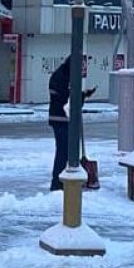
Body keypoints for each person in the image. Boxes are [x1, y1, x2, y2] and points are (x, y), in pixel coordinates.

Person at [48, 56, 96, 191]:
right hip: (60, 118)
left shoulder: (66, 76)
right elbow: (67, 97)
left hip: (65, 118)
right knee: (63, 152)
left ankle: (62, 181)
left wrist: (83, 95)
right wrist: (80, 96)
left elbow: (69, 95)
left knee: (66, 151)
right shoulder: (61, 77)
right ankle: (57, 183)